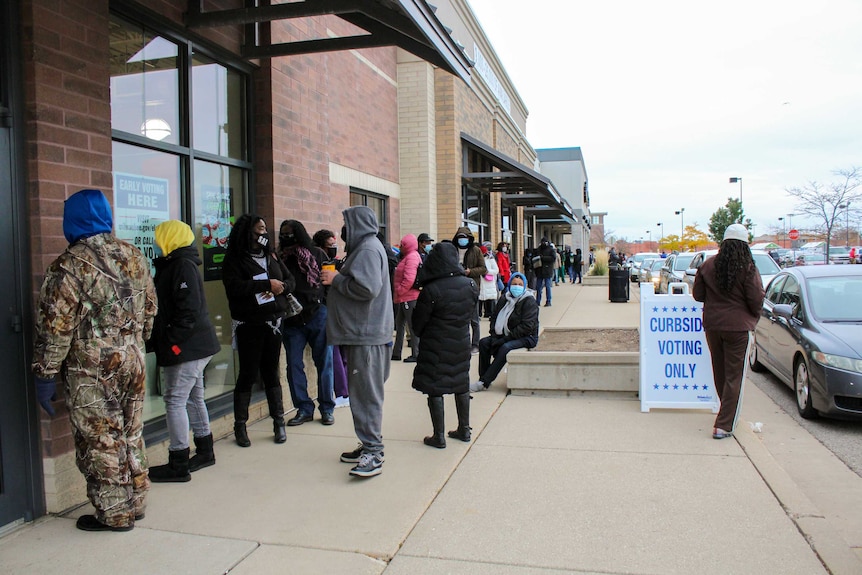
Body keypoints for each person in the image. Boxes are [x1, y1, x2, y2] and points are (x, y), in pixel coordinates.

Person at [32, 188, 157, 532]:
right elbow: (150, 307)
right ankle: (137, 500)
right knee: (130, 431)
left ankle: (116, 514)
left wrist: (45, 374)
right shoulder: (132, 254)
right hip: (133, 357)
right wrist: (133, 340)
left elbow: (55, 326)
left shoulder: (68, 265)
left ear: (71, 220)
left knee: (101, 438)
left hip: (93, 367)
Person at [322, 206, 393, 478]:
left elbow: (367, 288)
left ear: (357, 224)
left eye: (346, 223)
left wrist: (337, 279)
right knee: (364, 394)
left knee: (365, 396)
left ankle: (373, 452)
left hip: (367, 337)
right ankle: (368, 445)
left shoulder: (366, 249)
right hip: (366, 335)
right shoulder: (367, 247)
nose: (343, 229)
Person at [148, 220, 220, 483]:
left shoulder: (181, 266)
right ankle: (205, 451)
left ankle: (178, 461)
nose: (155, 243)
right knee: (192, 397)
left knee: (175, 400)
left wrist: (171, 344)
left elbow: (187, 312)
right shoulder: (176, 264)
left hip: (188, 347)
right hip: (194, 345)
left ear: (170, 239)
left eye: (158, 237)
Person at [222, 214, 296, 447]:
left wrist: (281, 287)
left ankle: (278, 422)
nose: (263, 234)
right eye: (259, 230)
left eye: (265, 230)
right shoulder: (234, 258)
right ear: (247, 233)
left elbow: (289, 279)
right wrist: (266, 285)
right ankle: (240, 426)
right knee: (248, 373)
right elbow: (234, 287)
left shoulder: (270, 255)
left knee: (272, 373)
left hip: (273, 322)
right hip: (249, 323)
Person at [693, 223, 765, 440]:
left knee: (720, 371)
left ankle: (726, 413)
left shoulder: (708, 265)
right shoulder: (748, 267)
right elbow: (756, 299)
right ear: (745, 245)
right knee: (735, 376)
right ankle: (724, 424)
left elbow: (698, 295)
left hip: (714, 325)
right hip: (739, 328)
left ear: (723, 243)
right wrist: (753, 316)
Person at [412, 241, 479, 447]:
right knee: (461, 383)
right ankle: (464, 429)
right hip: (460, 342)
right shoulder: (469, 285)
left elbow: (417, 325)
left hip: (435, 345)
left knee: (435, 387)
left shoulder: (431, 289)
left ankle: (438, 436)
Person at [278, 219, 335, 426]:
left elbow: (329, 282)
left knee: (325, 364)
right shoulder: (279, 257)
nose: (286, 237)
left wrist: (324, 306)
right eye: (283, 234)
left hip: (317, 314)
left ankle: (327, 408)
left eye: (290, 233)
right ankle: (303, 408)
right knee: (293, 366)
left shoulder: (317, 254)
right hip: (292, 320)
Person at [471, 273, 539, 392]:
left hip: (527, 337)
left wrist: (504, 339)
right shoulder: (504, 298)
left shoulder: (529, 301)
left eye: (519, 284)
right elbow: (494, 317)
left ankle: (485, 382)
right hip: (505, 335)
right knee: (484, 343)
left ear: (524, 286)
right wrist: (494, 335)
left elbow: (527, 327)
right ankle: (483, 377)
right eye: (514, 284)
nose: (516, 287)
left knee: (505, 347)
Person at [313, 228, 349, 408]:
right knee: (333, 353)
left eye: (335, 244)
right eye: (330, 245)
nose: (333, 248)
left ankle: (346, 390)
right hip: (327, 312)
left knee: (343, 353)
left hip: (341, 313)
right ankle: (341, 392)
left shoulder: (338, 264)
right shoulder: (317, 264)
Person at [452, 227, 486, 353]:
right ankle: (461, 343)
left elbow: (483, 268)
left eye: (464, 238)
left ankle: (475, 344)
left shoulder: (475, 250)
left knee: (474, 319)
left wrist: (470, 271)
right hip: (456, 288)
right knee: (458, 318)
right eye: (460, 237)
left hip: (472, 288)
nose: (462, 240)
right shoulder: (453, 250)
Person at [392, 233, 422, 362]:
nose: (401, 247)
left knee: (411, 326)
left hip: (408, 298)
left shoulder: (411, 257)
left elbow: (409, 279)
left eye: (402, 244)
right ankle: (396, 352)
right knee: (400, 325)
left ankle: (416, 353)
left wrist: (399, 291)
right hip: (405, 297)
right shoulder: (410, 256)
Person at [479, 244, 499, 318]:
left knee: (490, 298)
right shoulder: (477, 259)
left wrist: (487, 271)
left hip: (488, 281)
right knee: (480, 298)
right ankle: (479, 313)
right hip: (480, 281)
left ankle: (490, 313)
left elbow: (496, 270)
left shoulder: (490, 259)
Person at [535, 237, 556, 307]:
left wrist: (543, 258)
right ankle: (537, 301)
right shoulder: (538, 249)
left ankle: (548, 301)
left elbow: (553, 258)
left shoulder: (551, 250)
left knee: (548, 287)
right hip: (539, 270)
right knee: (538, 287)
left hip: (547, 270)